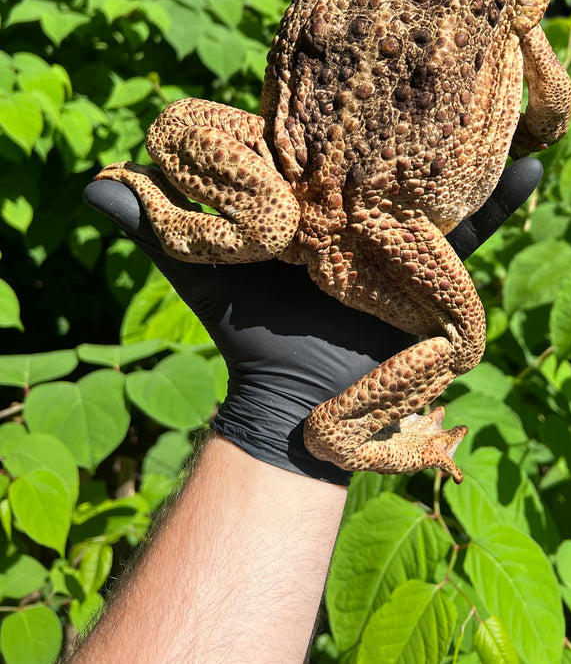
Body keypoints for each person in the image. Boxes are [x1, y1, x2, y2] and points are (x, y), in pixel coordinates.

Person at [70, 158, 544, 664]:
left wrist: (277, 421)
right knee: (466, 341)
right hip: (314, 186)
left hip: (363, 199)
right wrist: (279, 420)